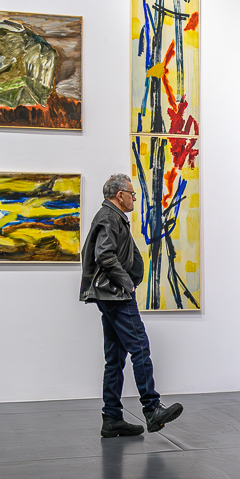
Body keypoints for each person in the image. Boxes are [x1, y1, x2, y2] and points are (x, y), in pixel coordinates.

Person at [80, 174, 183, 438]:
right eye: (132, 193)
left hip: (111, 295)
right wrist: (126, 283)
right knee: (140, 348)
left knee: (115, 358)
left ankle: (112, 418)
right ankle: (152, 408)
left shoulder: (111, 216)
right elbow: (104, 255)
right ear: (119, 195)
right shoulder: (109, 217)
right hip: (116, 295)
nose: (134, 198)